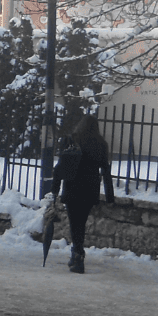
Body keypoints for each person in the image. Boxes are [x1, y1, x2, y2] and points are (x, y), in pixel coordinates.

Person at [51, 114, 117, 274]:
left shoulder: (72, 139)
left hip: (72, 187)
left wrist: (54, 189)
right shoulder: (101, 144)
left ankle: (77, 254)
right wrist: (109, 196)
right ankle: (77, 253)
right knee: (81, 222)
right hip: (90, 189)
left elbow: (60, 167)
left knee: (75, 224)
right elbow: (106, 171)